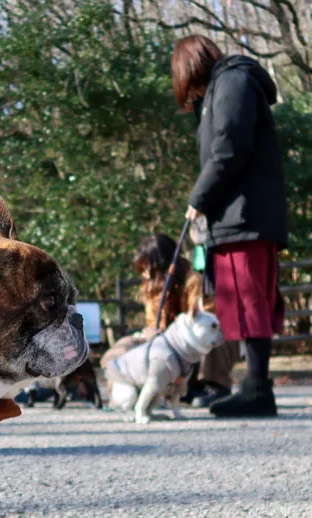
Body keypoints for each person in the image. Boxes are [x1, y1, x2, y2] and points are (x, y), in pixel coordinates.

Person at [172, 36, 288, 418]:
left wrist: (198, 199)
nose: (193, 95)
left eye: (190, 85)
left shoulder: (233, 83)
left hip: (245, 217)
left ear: (194, 68)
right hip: (237, 216)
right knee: (243, 299)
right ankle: (253, 385)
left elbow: (229, 149)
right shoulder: (224, 87)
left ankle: (258, 390)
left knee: (251, 299)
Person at [99, 234, 236, 406]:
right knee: (122, 348)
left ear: (161, 264)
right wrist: (150, 334)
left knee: (214, 336)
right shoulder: (150, 286)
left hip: (188, 345)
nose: (145, 275)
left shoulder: (193, 281)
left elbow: (205, 321)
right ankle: (125, 393)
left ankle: (214, 387)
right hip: (161, 346)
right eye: (142, 270)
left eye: (148, 268)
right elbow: (152, 323)